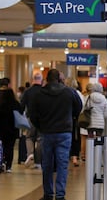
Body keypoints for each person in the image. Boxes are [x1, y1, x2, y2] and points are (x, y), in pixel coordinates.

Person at [30, 69, 82, 200]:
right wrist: (70, 117)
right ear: (59, 78)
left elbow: (32, 114)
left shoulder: (39, 94)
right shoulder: (69, 92)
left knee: (47, 164)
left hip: (47, 132)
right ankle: (60, 195)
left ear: (46, 79)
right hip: (64, 132)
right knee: (62, 164)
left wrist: (40, 126)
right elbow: (78, 107)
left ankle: (48, 193)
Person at [0, 87, 21, 173]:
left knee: (2, 147)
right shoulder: (16, 104)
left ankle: (3, 162)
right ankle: (9, 166)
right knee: (10, 147)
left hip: (2, 130)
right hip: (13, 130)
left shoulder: (1, 105)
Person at [21, 72, 43, 169]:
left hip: (30, 118)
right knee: (40, 139)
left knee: (29, 137)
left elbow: (22, 105)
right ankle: (38, 162)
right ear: (41, 80)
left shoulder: (27, 91)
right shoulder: (44, 91)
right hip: (42, 119)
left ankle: (30, 154)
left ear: (33, 79)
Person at [64, 77, 85, 167]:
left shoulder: (64, 93)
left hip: (65, 119)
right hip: (75, 119)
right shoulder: (79, 94)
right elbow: (81, 106)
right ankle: (75, 156)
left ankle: (67, 156)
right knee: (75, 138)